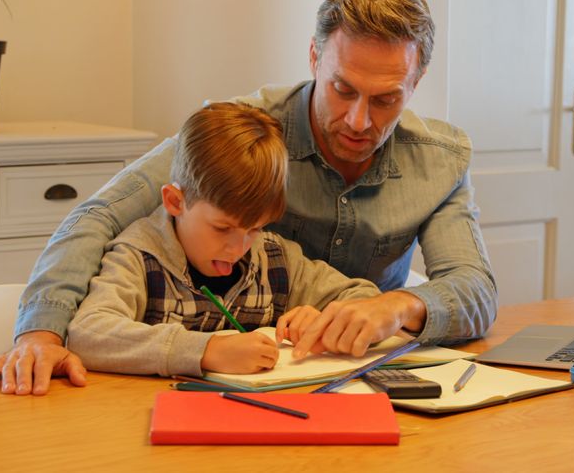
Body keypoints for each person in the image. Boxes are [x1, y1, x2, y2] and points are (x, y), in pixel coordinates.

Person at [0, 0, 497, 395]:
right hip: (218, 388)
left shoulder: (441, 159)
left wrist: (397, 305)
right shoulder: (238, 133)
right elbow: (100, 215)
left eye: (386, 99)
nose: (359, 121)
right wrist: (41, 332)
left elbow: (475, 290)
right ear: (315, 58)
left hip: (352, 383)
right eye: (341, 89)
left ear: (416, 83)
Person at [66, 102, 381, 377]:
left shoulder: (275, 258)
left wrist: (328, 320)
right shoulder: (140, 255)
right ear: (175, 202)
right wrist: (207, 351)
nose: (239, 247)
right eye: (222, 228)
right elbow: (89, 334)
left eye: (254, 228)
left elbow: (367, 299)